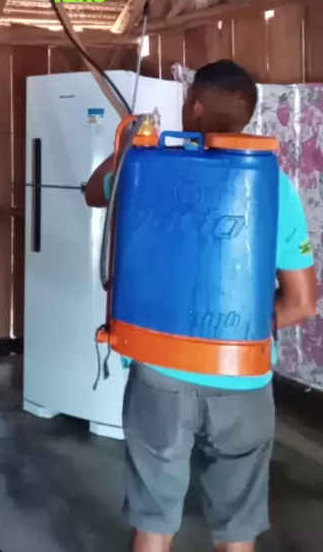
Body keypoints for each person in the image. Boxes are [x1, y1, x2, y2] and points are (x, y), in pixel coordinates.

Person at [85, 60, 317, 552]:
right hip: (242, 377)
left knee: (153, 521)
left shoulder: (148, 167)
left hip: (159, 374)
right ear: (248, 115)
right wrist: (234, 332)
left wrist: (128, 145)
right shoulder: (275, 185)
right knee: (237, 528)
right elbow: (301, 304)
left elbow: (92, 192)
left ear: (193, 107)